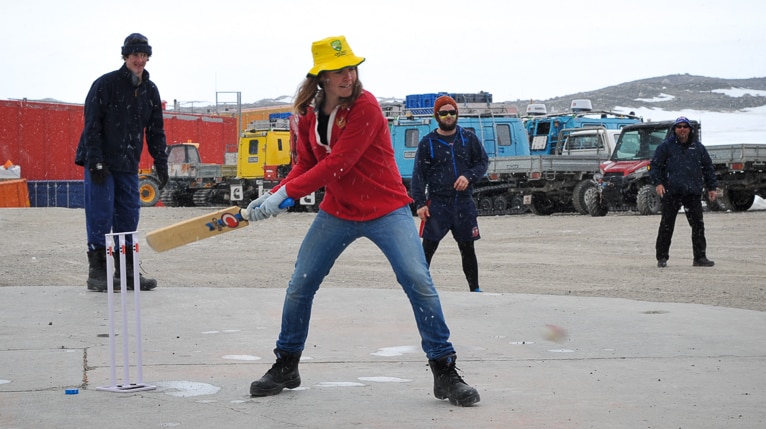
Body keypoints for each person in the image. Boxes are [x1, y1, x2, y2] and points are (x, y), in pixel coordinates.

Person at [244, 35, 480, 407]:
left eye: (352, 68)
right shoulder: (307, 116)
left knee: (418, 280)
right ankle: (286, 364)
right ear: (320, 76)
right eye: (339, 70)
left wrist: (285, 196)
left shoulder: (366, 107)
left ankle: (445, 372)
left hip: (386, 208)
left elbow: (338, 162)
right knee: (300, 283)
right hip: (338, 211)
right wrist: (276, 192)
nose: (348, 76)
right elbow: (306, 165)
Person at [74, 33, 169, 292]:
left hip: (127, 163)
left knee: (128, 216)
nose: (140, 60)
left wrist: (162, 164)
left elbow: (156, 131)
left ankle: (127, 273)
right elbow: (91, 124)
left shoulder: (150, 90)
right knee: (100, 215)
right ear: (125, 56)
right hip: (100, 162)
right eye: (135, 55)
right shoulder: (105, 85)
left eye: (144, 55)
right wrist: (95, 160)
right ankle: (99, 273)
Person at [410, 95, 489, 292]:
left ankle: (475, 290)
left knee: (467, 249)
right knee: (427, 249)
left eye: (451, 112)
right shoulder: (428, 143)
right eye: (443, 113)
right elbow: (418, 176)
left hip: (463, 204)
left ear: (457, 114)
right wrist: (419, 204)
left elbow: (482, 162)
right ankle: (418, 290)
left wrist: (468, 176)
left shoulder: (468, 138)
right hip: (437, 205)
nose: (448, 116)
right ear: (437, 115)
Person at [650, 116, 718, 268]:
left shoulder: (698, 147)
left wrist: (712, 187)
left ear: (689, 129)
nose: (682, 129)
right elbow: (655, 166)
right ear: (674, 129)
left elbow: (708, 168)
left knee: (698, 226)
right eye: (679, 126)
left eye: (685, 126)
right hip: (671, 192)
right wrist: (659, 183)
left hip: (692, 192)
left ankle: (700, 257)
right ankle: (662, 257)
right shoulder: (666, 147)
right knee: (667, 225)